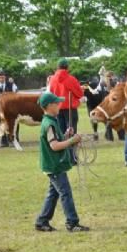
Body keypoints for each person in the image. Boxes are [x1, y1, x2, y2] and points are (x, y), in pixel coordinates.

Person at [34, 92, 89, 232]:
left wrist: (66, 135)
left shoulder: (52, 121)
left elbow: (57, 140)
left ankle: (42, 221)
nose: (60, 105)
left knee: (54, 193)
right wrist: (72, 140)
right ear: (49, 106)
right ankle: (72, 223)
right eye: (57, 103)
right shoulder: (49, 124)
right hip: (55, 165)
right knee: (65, 193)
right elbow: (54, 146)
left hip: (53, 165)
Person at [48, 58, 84, 164]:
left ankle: (63, 158)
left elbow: (50, 93)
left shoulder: (52, 79)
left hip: (57, 109)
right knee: (71, 133)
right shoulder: (70, 79)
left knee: (61, 133)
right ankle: (72, 158)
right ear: (67, 67)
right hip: (70, 109)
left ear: (57, 67)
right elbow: (79, 93)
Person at [0, 69, 18, 147]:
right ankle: (3, 142)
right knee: (1, 125)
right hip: (0, 109)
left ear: (5, 77)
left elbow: (16, 94)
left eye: (2, 77)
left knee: (11, 124)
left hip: (10, 109)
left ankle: (12, 141)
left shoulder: (12, 85)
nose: (1, 78)